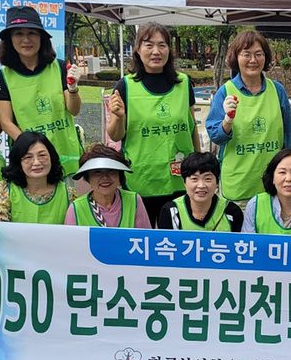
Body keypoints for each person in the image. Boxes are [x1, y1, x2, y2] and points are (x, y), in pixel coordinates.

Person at [106, 23, 200, 224]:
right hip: (142, 179)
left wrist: (199, 164)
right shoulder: (126, 85)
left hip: (179, 178)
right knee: (143, 243)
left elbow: (191, 127)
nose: (156, 51)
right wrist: (119, 115)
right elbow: (115, 135)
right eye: (149, 45)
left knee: (176, 243)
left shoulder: (183, 83)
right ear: (138, 49)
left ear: (169, 50)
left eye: (162, 45)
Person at [206, 30, 291, 204]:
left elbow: (288, 138)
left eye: (258, 54)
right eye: (246, 54)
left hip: (273, 184)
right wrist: (228, 120)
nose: (253, 60)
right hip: (238, 184)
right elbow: (215, 136)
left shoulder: (277, 91)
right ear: (236, 57)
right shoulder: (225, 92)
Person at [0, 5, 82, 176]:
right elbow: (6, 122)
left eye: (32, 33)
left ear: (42, 37)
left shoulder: (59, 67)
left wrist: (73, 87)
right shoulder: (4, 76)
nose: (26, 39)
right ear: (10, 39)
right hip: (29, 160)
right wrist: (34, 150)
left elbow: (74, 110)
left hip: (64, 153)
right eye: (19, 33)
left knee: (66, 200)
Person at [0, 131, 76, 224]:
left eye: (42, 155)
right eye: (28, 157)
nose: (36, 162)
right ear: (18, 162)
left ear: (52, 157)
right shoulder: (5, 190)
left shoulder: (69, 194)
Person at [65, 144, 151, 228]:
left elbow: (145, 238)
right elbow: (71, 241)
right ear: (88, 178)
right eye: (97, 172)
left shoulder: (134, 200)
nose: (105, 177)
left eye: (111, 171)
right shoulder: (76, 208)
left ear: (119, 175)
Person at [158, 152, 244, 231]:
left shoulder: (231, 211)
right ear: (184, 182)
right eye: (194, 179)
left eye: (208, 179)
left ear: (217, 181)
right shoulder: (171, 211)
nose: (201, 185)